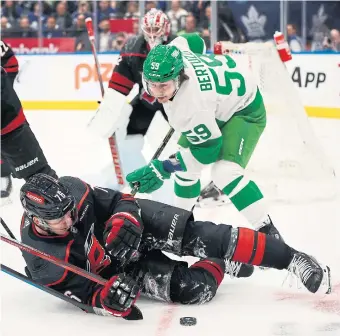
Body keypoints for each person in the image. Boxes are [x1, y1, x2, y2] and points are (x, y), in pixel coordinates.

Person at [20, 174, 331, 319]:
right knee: (196, 290)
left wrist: (124, 216)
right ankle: (222, 262)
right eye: (59, 219)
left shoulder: (74, 189)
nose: (70, 218)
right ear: (37, 220)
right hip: (120, 269)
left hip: (131, 224)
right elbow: (88, 297)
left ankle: (293, 259)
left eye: (70, 210)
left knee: (210, 236)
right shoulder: (44, 263)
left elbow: (119, 199)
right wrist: (111, 298)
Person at [126, 33, 285, 244]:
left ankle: (268, 232)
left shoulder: (190, 105)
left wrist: (162, 168)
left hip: (243, 109)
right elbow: (195, 41)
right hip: (217, 103)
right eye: (151, 84)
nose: (157, 92)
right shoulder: (176, 50)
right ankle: (179, 224)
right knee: (185, 169)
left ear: (179, 77)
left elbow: (207, 151)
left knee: (224, 172)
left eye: (164, 86)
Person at [89, 8, 174, 139]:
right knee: (130, 133)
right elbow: (119, 85)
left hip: (175, 101)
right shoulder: (132, 49)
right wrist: (108, 111)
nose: (152, 34)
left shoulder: (178, 47)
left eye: (156, 29)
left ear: (166, 29)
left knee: (189, 135)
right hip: (147, 99)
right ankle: (130, 152)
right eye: (149, 29)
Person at [1, 41, 57, 204]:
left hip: (8, 124)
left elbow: (10, 61)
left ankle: (59, 208)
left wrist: (6, 85)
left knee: (40, 177)